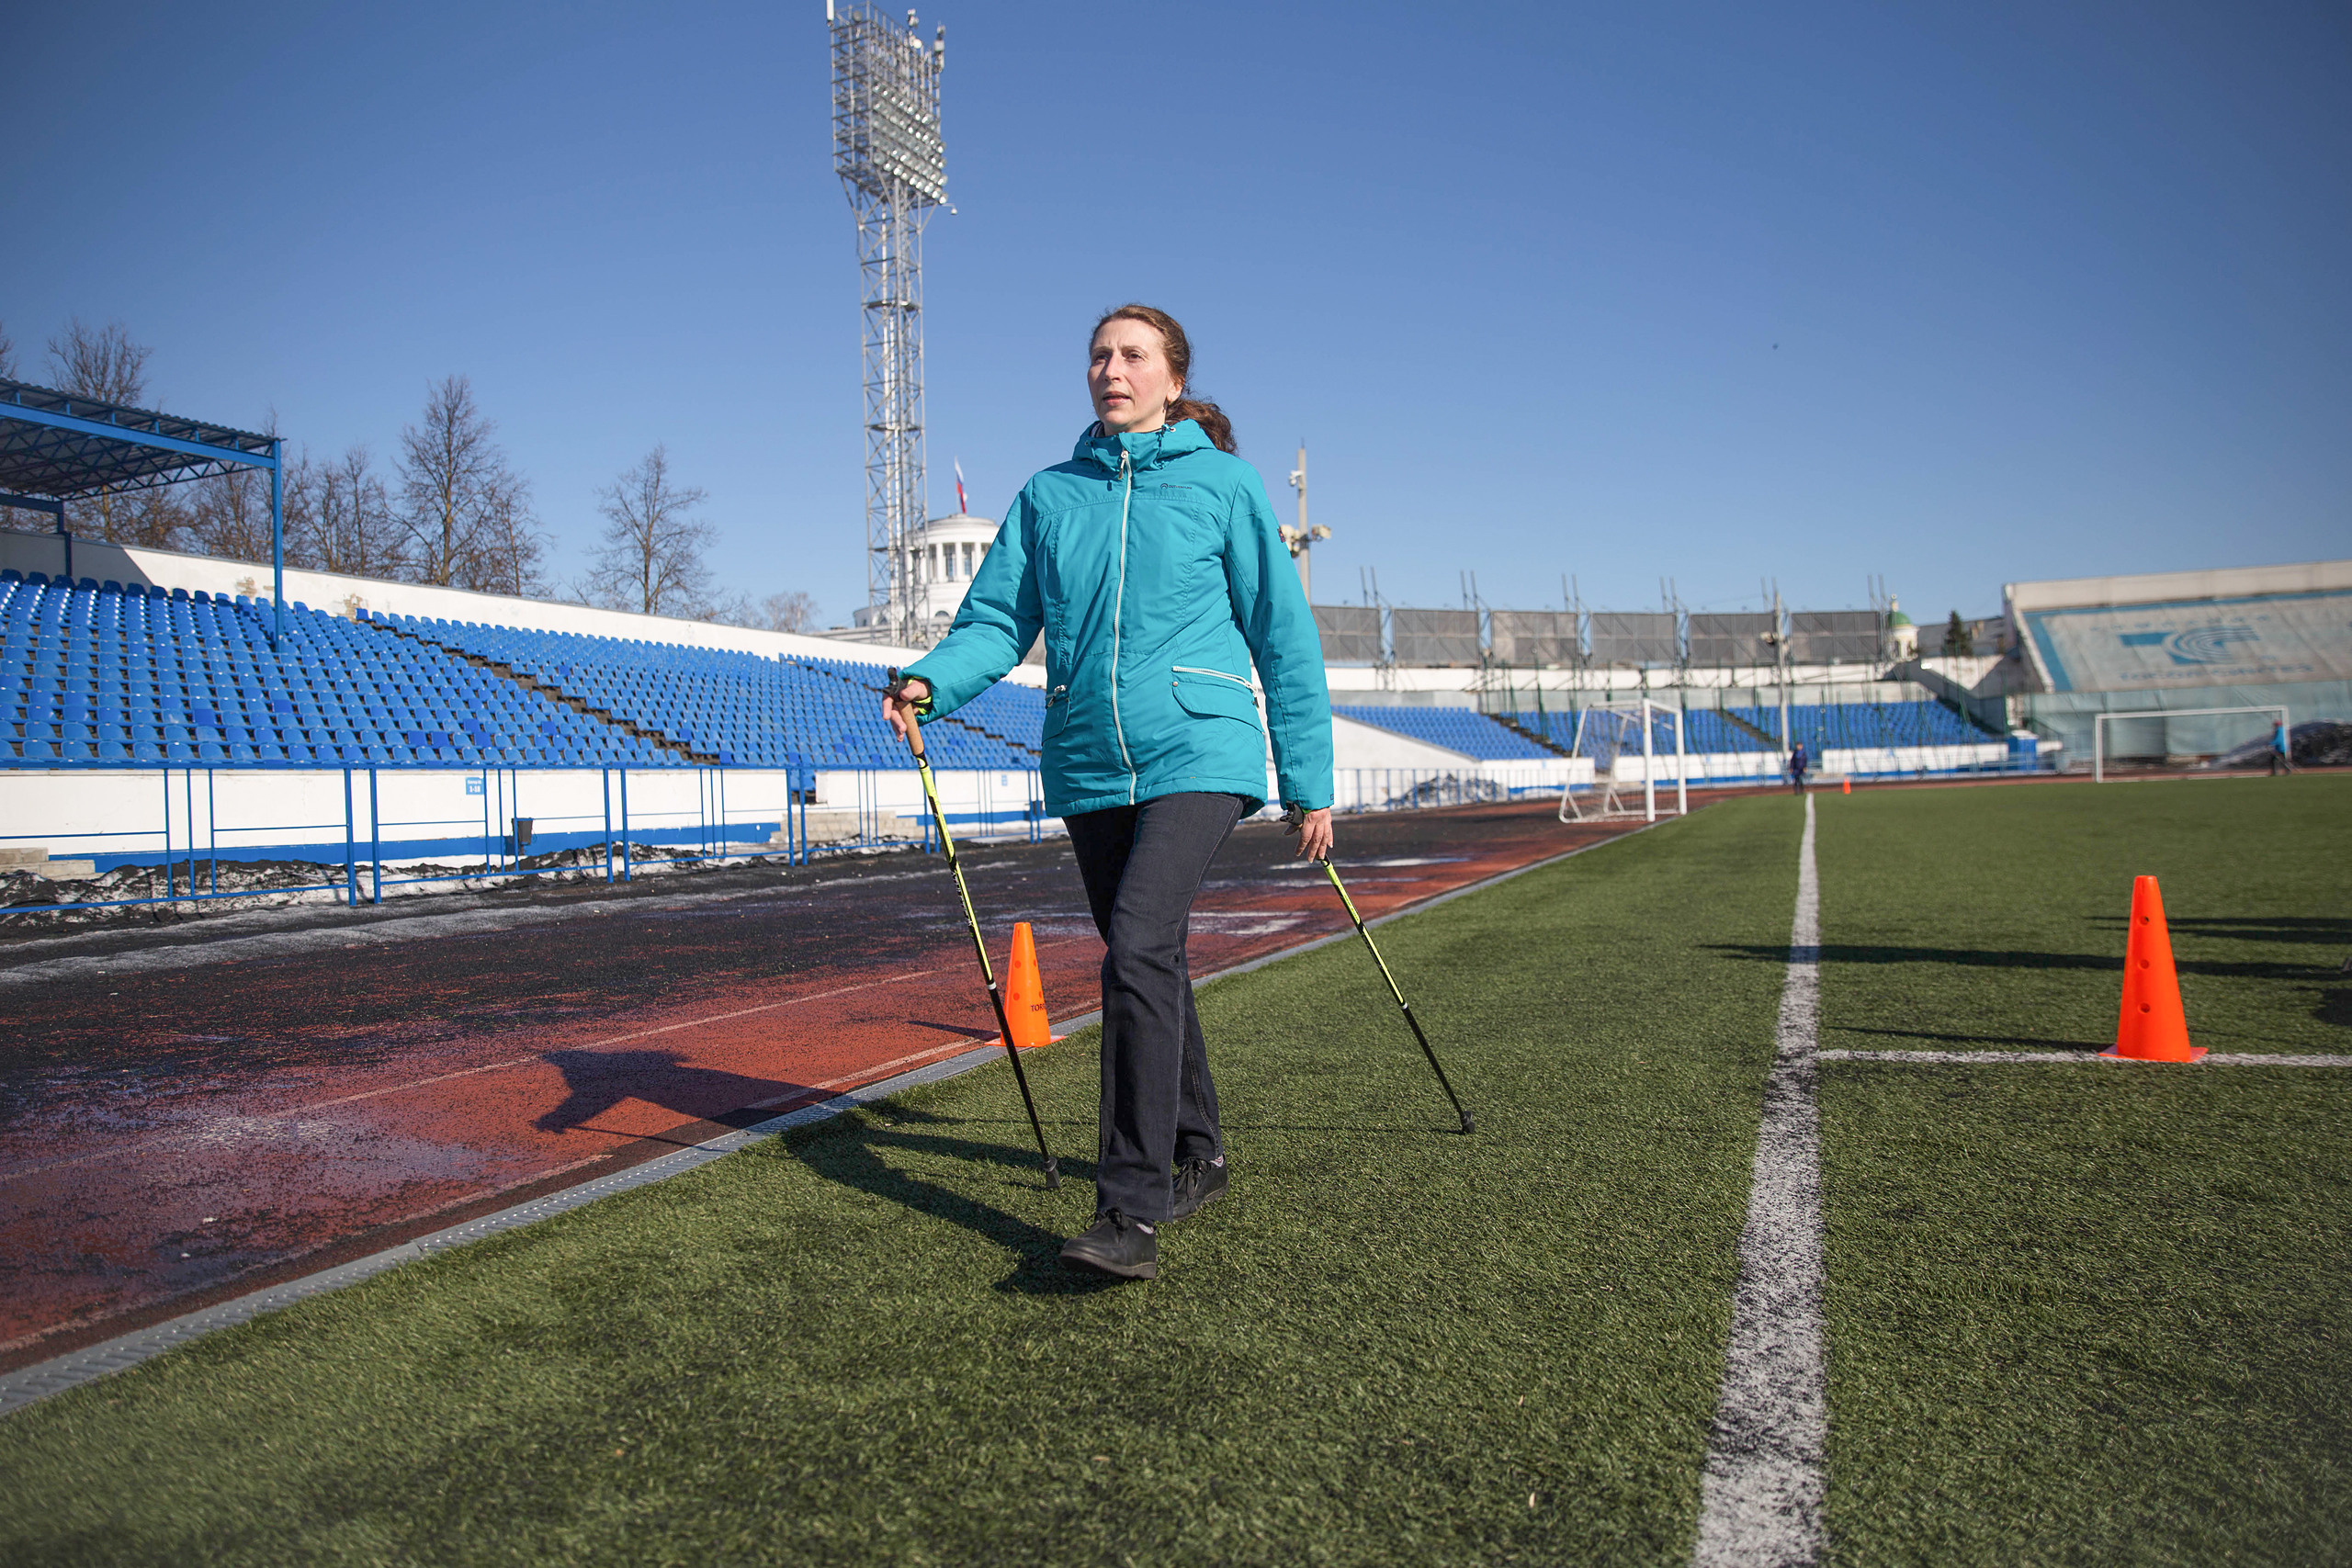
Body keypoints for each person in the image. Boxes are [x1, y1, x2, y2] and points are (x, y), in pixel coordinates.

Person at [883, 304, 1334, 1281]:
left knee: (1132, 945)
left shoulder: (1226, 486)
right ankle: (1199, 1151)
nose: (1109, 368)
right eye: (1097, 354)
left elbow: (1282, 635)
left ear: (1172, 379)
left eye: (1131, 355)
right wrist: (932, 678)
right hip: (1087, 759)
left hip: (1199, 750)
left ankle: (1127, 1211)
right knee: (1150, 955)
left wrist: (1307, 782)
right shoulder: (1049, 497)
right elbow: (996, 622)